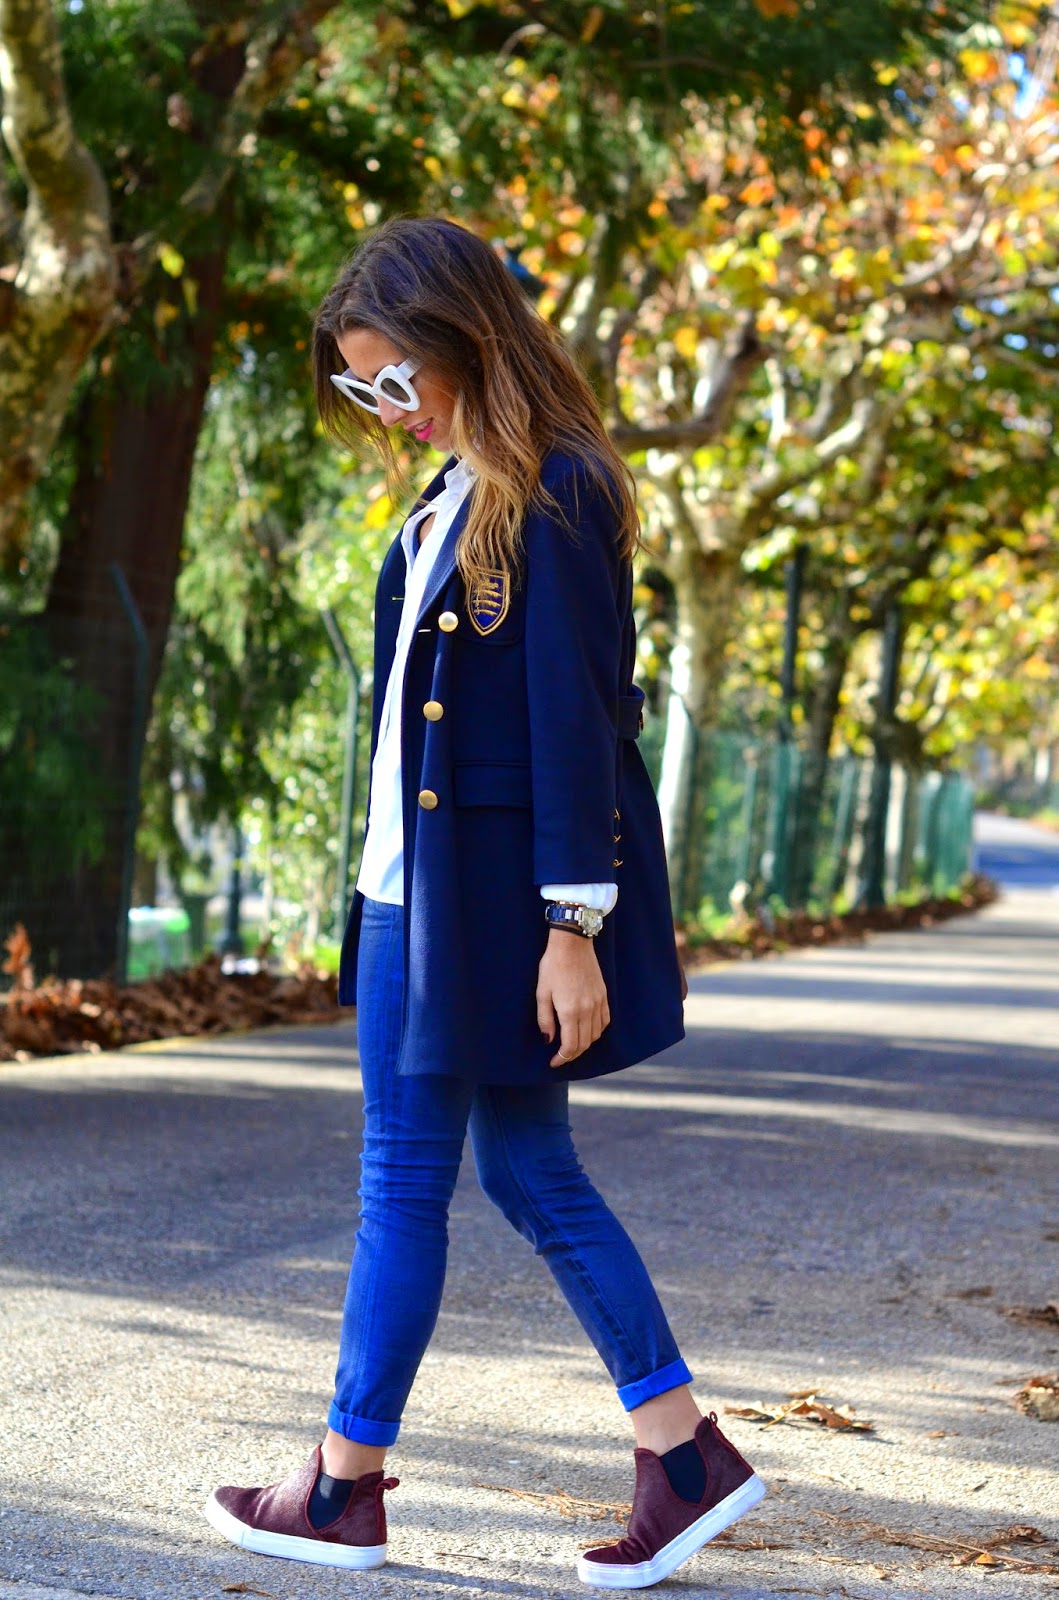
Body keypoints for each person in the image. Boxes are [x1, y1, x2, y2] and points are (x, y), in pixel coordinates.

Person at [202, 216, 765, 1589]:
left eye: (395, 377)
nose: (385, 407)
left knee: (405, 1179)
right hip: (420, 892)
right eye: (362, 387)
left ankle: (344, 1484)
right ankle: (683, 1456)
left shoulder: (559, 486)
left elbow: (578, 721)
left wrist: (574, 928)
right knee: (524, 1170)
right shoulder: (457, 492)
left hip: (483, 909)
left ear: (462, 337)